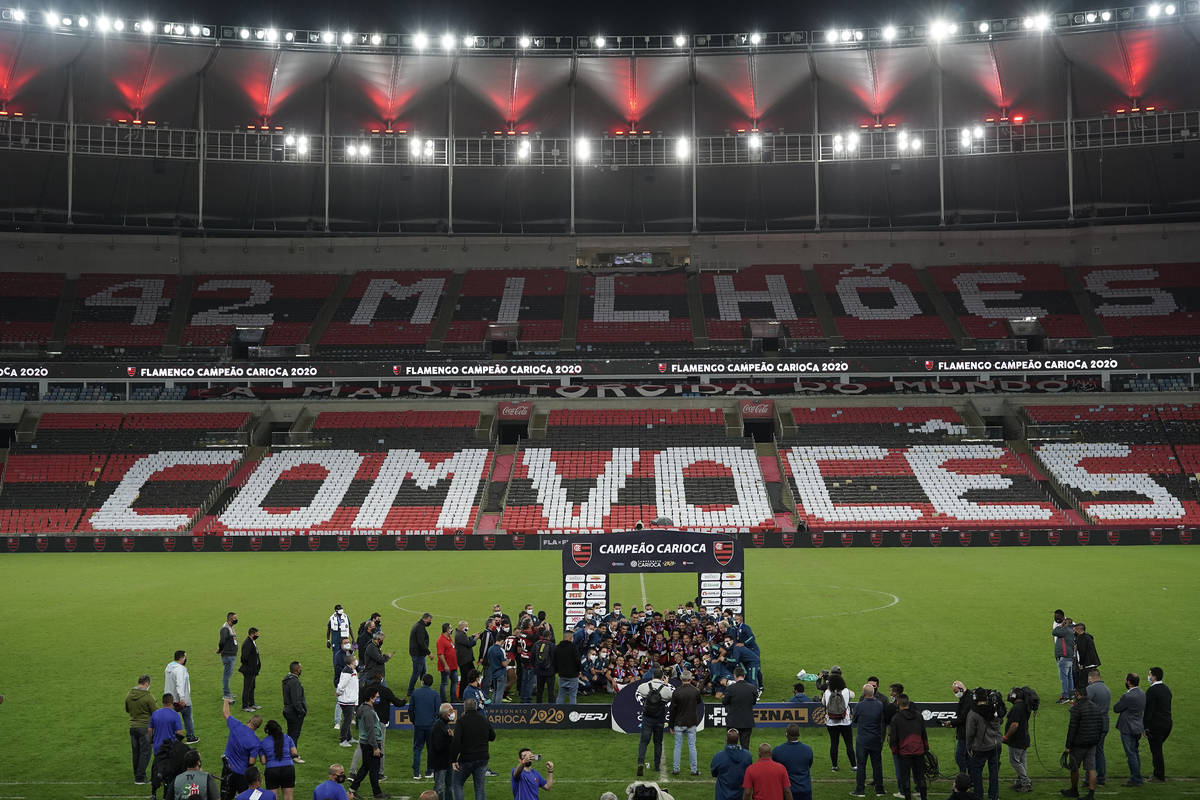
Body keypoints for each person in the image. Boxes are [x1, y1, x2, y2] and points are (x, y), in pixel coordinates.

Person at [451, 698, 496, 800]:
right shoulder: (484, 719)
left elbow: (456, 741)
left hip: (467, 758)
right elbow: (492, 737)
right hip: (483, 758)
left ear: (464, 708)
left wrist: (453, 759)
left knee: (457, 783)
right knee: (480, 788)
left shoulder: (461, 721)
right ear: (476, 707)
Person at [1063, 684, 1103, 800]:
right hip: (1092, 743)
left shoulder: (1076, 708)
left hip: (1079, 744)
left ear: (1077, 694)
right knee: (1091, 768)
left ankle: (1074, 790)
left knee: (1074, 768)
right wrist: (1096, 739)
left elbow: (1072, 728)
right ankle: (1091, 794)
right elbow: (1100, 725)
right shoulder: (1095, 706)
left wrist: (1068, 746)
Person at [349, 689, 390, 800]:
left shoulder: (363, 708)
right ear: (371, 698)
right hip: (371, 743)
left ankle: (353, 789)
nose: (378, 699)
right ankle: (377, 793)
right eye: (376, 697)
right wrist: (375, 747)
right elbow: (370, 730)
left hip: (365, 742)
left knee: (365, 767)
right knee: (374, 769)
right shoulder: (368, 712)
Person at [887, 695, 928, 800]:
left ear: (898, 704)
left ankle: (908, 797)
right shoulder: (919, 716)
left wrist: (895, 751)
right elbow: (924, 734)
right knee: (920, 777)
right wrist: (925, 748)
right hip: (919, 751)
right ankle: (924, 798)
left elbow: (893, 738)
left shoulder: (896, 718)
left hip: (904, 753)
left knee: (905, 778)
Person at [636, 668, 675, 776]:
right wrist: (666, 684)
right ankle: (657, 766)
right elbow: (672, 695)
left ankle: (640, 762)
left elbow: (639, 689)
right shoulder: (665, 688)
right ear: (662, 677)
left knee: (644, 742)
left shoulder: (645, 686)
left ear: (653, 676)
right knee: (658, 742)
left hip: (647, 718)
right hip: (659, 718)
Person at [964, 687, 1002, 800]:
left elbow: (970, 733)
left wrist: (968, 746)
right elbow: (1000, 721)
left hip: (980, 748)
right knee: (994, 774)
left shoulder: (973, 713)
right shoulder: (994, 710)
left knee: (977, 774)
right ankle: (994, 797)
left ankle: (978, 797)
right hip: (995, 746)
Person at [222, 697, 264, 796]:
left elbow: (226, 714)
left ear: (249, 720)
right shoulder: (255, 742)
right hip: (242, 775)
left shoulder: (236, 725)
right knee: (244, 797)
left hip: (228, 770)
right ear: (257, 727)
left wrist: (226, 702)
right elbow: (251, 762)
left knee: (226, 796)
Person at [851, 684, 885, 797]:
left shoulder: (860, 706)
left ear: (864, 693)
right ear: (873, 692)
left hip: (863, 740)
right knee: (877, 765)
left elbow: (854, 720)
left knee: (861, 765)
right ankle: (879, 790)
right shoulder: (880, 705)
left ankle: (860, 790)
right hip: (875, 739)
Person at [1113, 672, 1145, 787]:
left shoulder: (1127, 696)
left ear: (1129, 682)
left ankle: (1136, 778)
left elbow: (1116, 708)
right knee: (1135, 752)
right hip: (1138, 727)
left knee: (1131, 754)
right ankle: (1137, 777)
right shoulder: (1142, 693)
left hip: (1127, 728)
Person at [822, 669, 856, 773]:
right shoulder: (846, 691)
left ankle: (834, 766)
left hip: (831, 722)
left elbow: (823, 703)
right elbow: (853, 695)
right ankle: (854, 765)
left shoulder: (827, 692)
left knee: (834, 744)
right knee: (849, 744)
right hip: (845, 721)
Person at [670, 670, 702, 777]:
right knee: (692, 746)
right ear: (691, 679)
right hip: (691, 722)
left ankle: (676, 769)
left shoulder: (677, 692)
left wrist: (671, 725)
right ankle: (694, 770)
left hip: (679, 722)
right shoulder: (695, 691)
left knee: (677, 746)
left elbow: (672, 710)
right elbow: (698, 702)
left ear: (681, 679)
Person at [126, 674, 156, 786]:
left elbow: (127, 709)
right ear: (147, 683)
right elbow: (155, 713)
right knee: (145, 752)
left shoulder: (129, 695)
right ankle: (140, 777)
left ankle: (137, 775)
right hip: (144, 728)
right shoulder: (148, 697)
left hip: (133, 727)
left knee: (136, 752)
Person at [1143, 666, 1172, 783]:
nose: (1149, 677)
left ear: (1154, 676)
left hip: (1156, 726)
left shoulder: (1151, 691)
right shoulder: (1166, 689)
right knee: (1157, 749)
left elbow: (1148, 711)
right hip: (1167, 724)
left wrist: (1145, 727)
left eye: (1150, 674)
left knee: (1156, 750)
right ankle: (1158, 774)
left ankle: (1159, 776)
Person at [258, 719, 299, 800]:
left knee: (273, 797)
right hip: (288, 769)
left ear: (267, 730)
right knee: (288, 797)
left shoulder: (262, 742)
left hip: (271, 770)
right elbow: (295, 753)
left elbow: (263, 762)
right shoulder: (287, 738)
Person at [410, 673, 440, 780]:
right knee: (431, 749)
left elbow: (411, 709)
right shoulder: (435, 694)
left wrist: (414, 720)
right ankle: (429, 771)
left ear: (422, 681)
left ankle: (416, 773)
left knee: (417, 748)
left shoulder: (415, 693)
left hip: (419, 724)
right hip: (431, 725)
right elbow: (438, 711)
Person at [165, 650, 198, 744]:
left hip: (170, 699)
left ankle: (170, 736)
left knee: (171, 719)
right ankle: (190, 737)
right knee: (188, 718)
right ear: (181, 658)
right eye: (185, 657)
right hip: (182, 700)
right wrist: (182, 698)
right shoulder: (180, 669)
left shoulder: (169, 666)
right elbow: (180, 684)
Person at [772, 724, 814, 800]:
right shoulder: (808, 750)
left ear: (786, 735)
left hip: (786, 791)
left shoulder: (777, 751)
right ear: (799, 734)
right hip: (805, 789)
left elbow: (775, 770)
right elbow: (809, 765)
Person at [1002, 688, 1032, 793]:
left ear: (1015, 696)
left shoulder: (1016, 708)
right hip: (1024, 738)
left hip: (1017, 740)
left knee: (1014, 761)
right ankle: (1020, 781)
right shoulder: (1025, 706)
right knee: (1022, 762)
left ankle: (1026, 782)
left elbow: (1014, 725)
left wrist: (1006, 737)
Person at [1085, 670, 1111, 785]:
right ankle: (1101, 778)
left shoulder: (1090, 689)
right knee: (1100, 751)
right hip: (1104, 723)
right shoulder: (1106, 688)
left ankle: (1089, 779)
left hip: (1093, 725)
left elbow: (1083, 705)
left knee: (1089, 753)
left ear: (1090, 678)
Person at [723, 667, 758, 752]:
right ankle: (745, 764)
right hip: (747, 721)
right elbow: (753, 702)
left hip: (733, 721)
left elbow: (724, 702)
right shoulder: (752, 688)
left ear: (735, 676)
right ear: (744, 675)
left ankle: (731, 764)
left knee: (731, 746)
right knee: (745, 746)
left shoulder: (730, 688)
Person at [711, 730, 753, 800]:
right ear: (738, 739)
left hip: (722, 796)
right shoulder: (747, 756)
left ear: (726, 739)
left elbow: (714, 773)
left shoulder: (718, 756)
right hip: (740, 795)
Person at [429, 703, 455, 800]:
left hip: (447, 761)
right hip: (440, 763)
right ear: (445, 714)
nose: (453, 713)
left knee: (449, 788)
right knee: (439, 788)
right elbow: (438, 746)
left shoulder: (444, 724)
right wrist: (450, 738)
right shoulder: (438, 726)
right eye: (451, 711)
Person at [945, 680, 971, 774]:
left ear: (961, 689)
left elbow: (963, 718)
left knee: (959, 756)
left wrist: (952, 723)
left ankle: (963, 776)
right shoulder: (967, 697)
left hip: (965, 733)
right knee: (967, 757)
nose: (955, 694)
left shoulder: (967, 699)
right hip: (967, 732)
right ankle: (969, 778)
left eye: (956, 692)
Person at [282, 662, 307, 751]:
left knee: (290, 734)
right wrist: (301, 712)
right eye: (300, 668)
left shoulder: (287, 679)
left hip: (288, 710)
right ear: (296, 670)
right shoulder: (294, 682)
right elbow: (296, 700)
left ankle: (287, 753)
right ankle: (293, 755)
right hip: (294, 713)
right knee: (294, 735)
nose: (301, 670)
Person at [337, 653, 360, 747]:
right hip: (346, 700)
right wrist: (339, 692)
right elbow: (341, 685)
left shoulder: (352, 669)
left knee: (349, 719)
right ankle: (343, 740)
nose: (356, 661)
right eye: (355, 660)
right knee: (347, 720)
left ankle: (349, 738)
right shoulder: (347, 672)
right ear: (351, 662)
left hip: (350, 699)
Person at [1073, 623, 1101, 700]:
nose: (1074, 631)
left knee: (1082, 683)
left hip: (1087, 664)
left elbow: (1082, 652)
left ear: (1079, 630)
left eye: (1075, 630)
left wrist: (1081, 664)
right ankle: (1095, 696)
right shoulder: (1088, 637)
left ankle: (1082, 700)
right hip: (1093, 662)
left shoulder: (1081, 639)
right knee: (1092, 681)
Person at [1052, 611, 1076, 704]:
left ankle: (1065, 696)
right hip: (1069, 657)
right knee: (1069, 677)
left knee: (1064, 678)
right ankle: (1071, 695)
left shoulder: (1064, 630)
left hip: (1064, 657)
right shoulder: (1071, 630)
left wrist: (1062, 625)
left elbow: (1054, 632)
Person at [409, 613, 434, 698]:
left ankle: (424, 689)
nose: (430, 622)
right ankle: (410, 690)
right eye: (429, 620)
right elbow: (421, 642)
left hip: (418, 654)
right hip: (418, 654)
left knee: (423, 672)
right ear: (425, 619)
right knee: (416, 673)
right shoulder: (420, 627)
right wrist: (429, 653)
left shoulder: (418, 625)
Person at [219, 612, 240, 701]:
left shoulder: (230, 627)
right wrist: (220, 650)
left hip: (231, 655)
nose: (236, 620)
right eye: (235, 618)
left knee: (228, 674)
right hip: (228, 655)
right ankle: (226, 694)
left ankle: (227, 692)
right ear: (229, 619)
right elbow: (222, 641)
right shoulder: (225, 629)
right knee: (226, 675)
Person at [454, 621, 478, 698]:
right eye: (466, 626)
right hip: (465, 660)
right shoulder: (460, 635)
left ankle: (465, 694)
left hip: (466, 660)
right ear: (461, 627)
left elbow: (466, 640)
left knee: (470, 676)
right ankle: (462, 696)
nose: (467, 628)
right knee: (465, 678)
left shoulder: (460, 634)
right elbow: (469, 644)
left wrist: (472, 636)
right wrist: (475, 639)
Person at [485, 632, 511, 705]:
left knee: (495, 691)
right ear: (502, 641)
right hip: (501, 673)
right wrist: (509, 661)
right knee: (500, 692)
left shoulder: (490, 649)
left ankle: (493, 707)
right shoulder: (501, 650)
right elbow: (504, 664)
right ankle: (498, 708)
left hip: (493, 672)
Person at [241, 627, 263, 713]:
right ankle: (245, 706)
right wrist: (250, 666)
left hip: (253, 670)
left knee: (252, 687)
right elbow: (243, 658)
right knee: (247, 687)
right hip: (249, 670)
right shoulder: (247, 643)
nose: (258, 635)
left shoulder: (252, 642)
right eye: (257, 634)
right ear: (252, 634)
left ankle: (252, 704)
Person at [436, 623, 459, 704]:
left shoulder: (449, 638)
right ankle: (443, 700)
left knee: (454, 682)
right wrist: (445, 665)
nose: (452, 629)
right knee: (444, 683)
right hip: (446, 667)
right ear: (447, 629)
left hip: (453, 666)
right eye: (451, 628)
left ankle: (453, 699)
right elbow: (440, 654)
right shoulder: (441, 640)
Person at [533, 629, 557, 704]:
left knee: (539, 691)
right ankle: (551, 708)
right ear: (549, 636)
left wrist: (535, 667)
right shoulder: (552, 645)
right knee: (551, 691)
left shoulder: (536, 644)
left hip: (539, 671)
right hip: (550, 672)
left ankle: (538, 707)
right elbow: (555, 659)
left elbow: (532, 657)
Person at [554, 636, 580, 704]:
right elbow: (577, 660)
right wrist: (579, 670)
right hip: (573, 675)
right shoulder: (573, 647)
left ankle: (558, 711)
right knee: (573, 696)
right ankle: (572, 712)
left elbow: (554, 661)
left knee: (561, 695)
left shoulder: (557, 647)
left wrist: (558, 671)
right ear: (570, 638)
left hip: (562, 675)